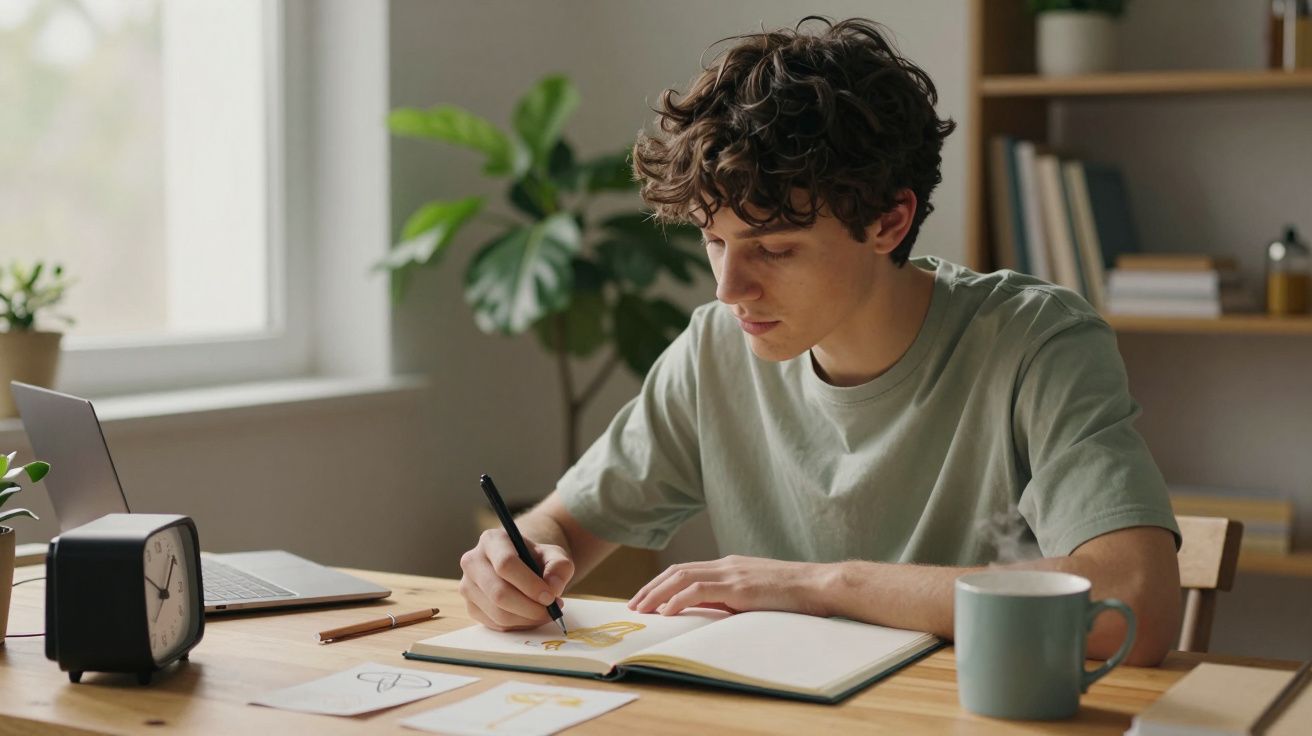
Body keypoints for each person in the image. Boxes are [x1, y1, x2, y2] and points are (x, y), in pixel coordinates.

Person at [458, 16, 1181, 666]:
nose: (728, 289)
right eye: (715, 240)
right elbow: (562, 523)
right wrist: (515, 558)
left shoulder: (1035, 343)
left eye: (773, 249)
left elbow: (1134, 608)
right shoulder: (716, 350)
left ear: (889, 223)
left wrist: (823, 585)